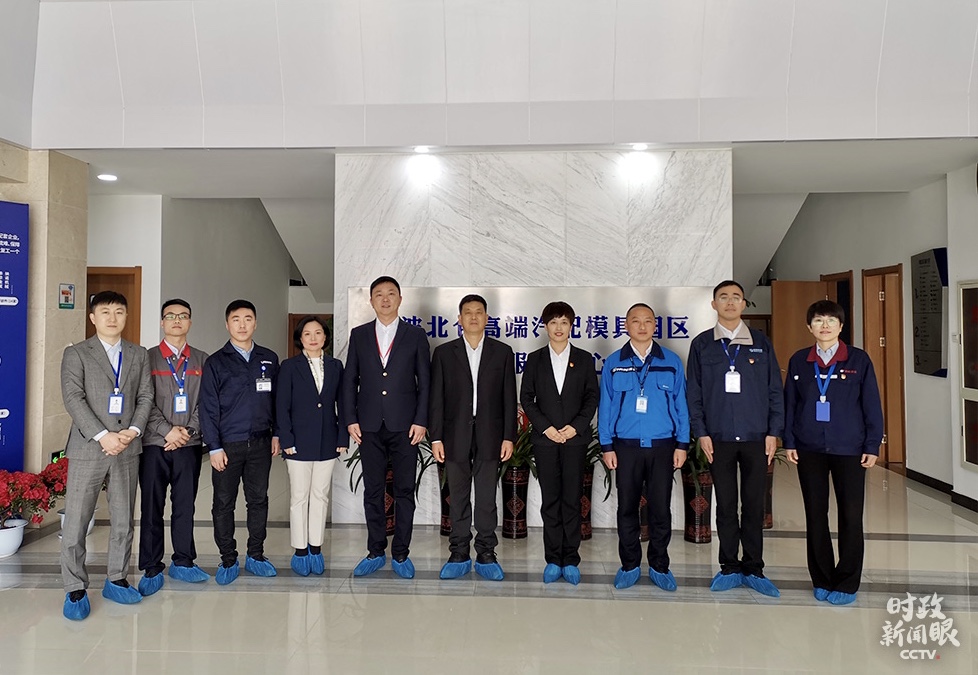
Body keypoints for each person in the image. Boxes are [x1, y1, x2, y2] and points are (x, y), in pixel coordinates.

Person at [686, 281, 784, 597]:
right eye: (723, 297)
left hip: (757, 438)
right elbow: (694, 393)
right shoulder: (702, 344)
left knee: (754, 505)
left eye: (736, 298)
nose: (730, 302)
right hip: (719, 439)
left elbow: (774, 389)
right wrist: (701, 432)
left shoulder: (761, 343)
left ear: (744, 304)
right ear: (714, 304)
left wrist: (774, 432)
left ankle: (754, 568)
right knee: (726, 505)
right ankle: (729, 566)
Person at [60, 291, 153, 620]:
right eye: (105, 312)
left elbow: (146, 396)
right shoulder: (76, 353)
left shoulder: (138, 354)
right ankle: (74, 586)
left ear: (126, 316)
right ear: (93, 318)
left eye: (119, 312)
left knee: (124, 518)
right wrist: (103, 435)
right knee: (77, 520)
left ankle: (117, 578)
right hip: (89, 447)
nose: (112, 318)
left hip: (127, 447)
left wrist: (133, 431)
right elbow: (73, 397)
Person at [784, 300, 883, 606]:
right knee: (815, 514)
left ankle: (848, 581)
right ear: (809, 326)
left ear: (841, 326)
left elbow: (871, 404)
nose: (824, 325)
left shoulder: (858, 359)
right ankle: (822, 577)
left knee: (851, 515)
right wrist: (790, 441)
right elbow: (790, 405)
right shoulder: (800, 360)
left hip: (849, 449)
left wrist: (872, 445)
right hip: (809, 447)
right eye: (818, 320)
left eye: (830, 320)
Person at [342, 276, 430, 578]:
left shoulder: (415, 335)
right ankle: (375, 550)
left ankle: (401, 553)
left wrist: (421, 420)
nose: (385, 299)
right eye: (379, 294)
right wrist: (350, 419)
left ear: (400, 299)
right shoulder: (359, 335)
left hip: (406, 426)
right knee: (373, 490)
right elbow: (350, 379)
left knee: (405, 490)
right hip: (368, 425)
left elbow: (425, 382)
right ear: (371, 301)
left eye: (391, 293)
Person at [598, 302, 688, 591]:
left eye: (647, 320)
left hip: (663, 446)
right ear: (626, 326)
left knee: (661, 508)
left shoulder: (671, 361)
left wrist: (682, 444)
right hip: (626, 447)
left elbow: (681, 404)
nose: (642, 326)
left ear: (655, 325)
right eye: (635, 321)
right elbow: (606, 406)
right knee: (627, 507)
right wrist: (606, 446)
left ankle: (660, 565)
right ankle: (629, 565)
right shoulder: (614, 362)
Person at [429, 294, 517, 581]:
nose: (474, 317)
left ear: (487, 318)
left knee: (487, 497)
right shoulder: (444, 353)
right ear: (459, 319)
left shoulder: (502, 352)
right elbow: (436, 398)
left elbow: (509, 398)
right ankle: (458, 552)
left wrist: (509, 436)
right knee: (458, 497)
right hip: (454, 434)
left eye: (479, 312)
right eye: (468, 312)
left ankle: (486, 552)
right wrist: (436, 437)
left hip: (491, 435)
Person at [199, 299, 281, 584]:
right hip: (227, 445)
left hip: (260, 443)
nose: (242, 324)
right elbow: (208, 408)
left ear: (255, 323)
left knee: (258, 500)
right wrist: (214, 446)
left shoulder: (269, 358)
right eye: (236, 319)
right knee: (223, 503)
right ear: (227, 324)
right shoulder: (215, 362)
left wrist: (277, 433)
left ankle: (256, 555)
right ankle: (228, 559)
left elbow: (277, 401)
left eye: (248, 319)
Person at [519, 301, 598, 585]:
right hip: (546, 441)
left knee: (571, 500)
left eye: (564, 322)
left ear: (572, 325)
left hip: (575, 441)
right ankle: (553, 559)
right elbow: (527, 398)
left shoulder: (584, 359)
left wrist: (575, 428)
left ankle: (571, 559)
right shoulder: (535, 359)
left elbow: (592, 397)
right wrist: (547, 428)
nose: (559, 327)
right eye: (553, 322)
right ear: (545, 326)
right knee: (551, 501)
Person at [136, 299, 210, 597]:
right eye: (170, 316)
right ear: (162, 322)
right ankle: (151, 566)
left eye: (183, 316)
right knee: (151, 506)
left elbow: (207, 402)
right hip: (154, 444)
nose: (177, 320)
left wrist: (187, 431)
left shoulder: (202, 360)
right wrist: (167, 430)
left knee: (185, 505)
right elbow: (143, 401)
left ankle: (183, 561)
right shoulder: (147, 358)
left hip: (189, 444)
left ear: (190, 322)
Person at [276, 317, 349, 576]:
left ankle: (315, 548)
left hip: (328, 440)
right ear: (300, 338)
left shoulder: (335, 366)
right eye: (307, 334)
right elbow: (282, 406)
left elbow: (343, 403)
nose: (313, 338)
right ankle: (300, 550)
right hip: (298, 441)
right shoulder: (289, 366)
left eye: (318, 333)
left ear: (325, 337)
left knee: (320, 495)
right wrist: (286, 439)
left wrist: (342, 437)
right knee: (299, 497)